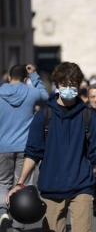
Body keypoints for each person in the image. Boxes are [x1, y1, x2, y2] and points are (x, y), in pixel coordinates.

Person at [6, 62, 96, 231]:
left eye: (72, 85)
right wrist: (20, 183)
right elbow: (32, 153)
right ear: (57, 85)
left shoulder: (88, 116)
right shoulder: (43, 116)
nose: (68, 88)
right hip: (51, 188)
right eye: (64, 84)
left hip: (82, 187)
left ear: (78, 86)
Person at [0, 64, 48, 232]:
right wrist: (34, 76)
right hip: (26, 147)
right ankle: (18, 226)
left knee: (3, 182)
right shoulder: (31, 92)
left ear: (8, 77)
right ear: (25, 78)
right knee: (22, 184)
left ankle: (2, 211)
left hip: (2, 146)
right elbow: (45, 97)